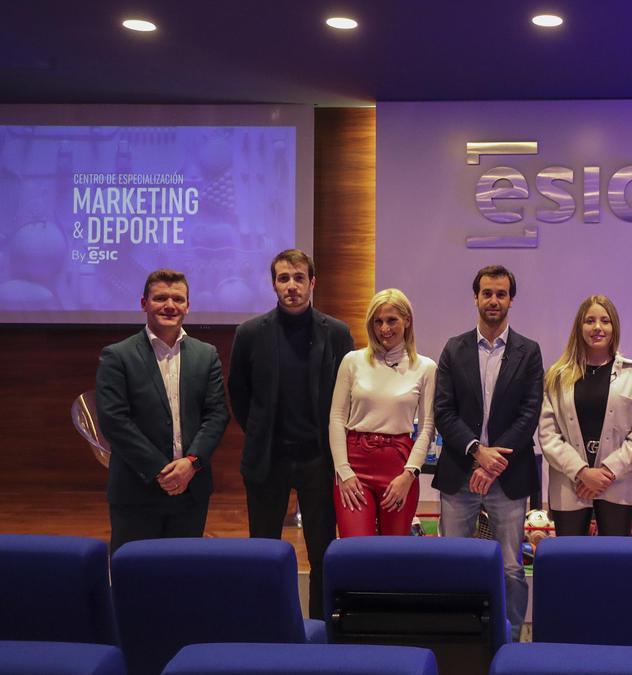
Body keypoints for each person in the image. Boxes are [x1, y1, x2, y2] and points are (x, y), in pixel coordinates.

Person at [228, 249, 353, 618]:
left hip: (319, 457)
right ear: (274, 284)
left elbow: (348, 394)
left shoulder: (337, 333)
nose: (292, 286)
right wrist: (261, 432)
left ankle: (319, 627)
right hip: (269, 457)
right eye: (284, 279)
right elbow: (240, 393)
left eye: (299, 278)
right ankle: (267, 623)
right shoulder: (249, 333)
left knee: (322, 553)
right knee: (264, 551)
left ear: (312, 283)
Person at [433, 265, 543, 641]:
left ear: (511, 299)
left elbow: (530, 413)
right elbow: (443, 412)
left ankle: (508, 640)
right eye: (486, 293)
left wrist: (495, 462)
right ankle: (455, 636)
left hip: (508, 476)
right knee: (453, 563)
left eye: (500, 294)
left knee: (512, 567)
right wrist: (479, 453)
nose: (493, 300)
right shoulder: (454, 348)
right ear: (476, 297)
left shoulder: (529, 351)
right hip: (459, 471)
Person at [95, 269, 229, 553]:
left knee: (182, 579)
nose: (170, 305)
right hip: (136, 491)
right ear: (144, 303)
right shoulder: (117, 355)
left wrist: (190, 464)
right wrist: (162, 471)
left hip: (191, 490)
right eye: (160, 298)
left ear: (188, 306)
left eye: (178, 298)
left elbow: (217, 414)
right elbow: (114, 421)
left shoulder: (207, 355)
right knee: (134, 582)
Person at [538, 295, 632, 536]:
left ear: (614, 328)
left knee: (614, 561)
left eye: (605, 321)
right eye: (590, 321)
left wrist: (606, 473)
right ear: (579, 328)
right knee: (570, 559)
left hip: (617, 481)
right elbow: (549, 436)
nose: (598, 327)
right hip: (571, 483)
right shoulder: (557, 376)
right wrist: (582, 472)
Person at [328, 289, 435, 537]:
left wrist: (409, 475)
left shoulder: (426, 367)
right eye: (378, 321)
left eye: (391, 320)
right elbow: (336, 419)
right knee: (356, 553)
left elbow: (428, 427)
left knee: (393, 556)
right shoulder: (352, 361)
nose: (384, 328)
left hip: (399, 467)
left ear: (407, 320)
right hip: (354, 465)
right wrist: (343, 472)